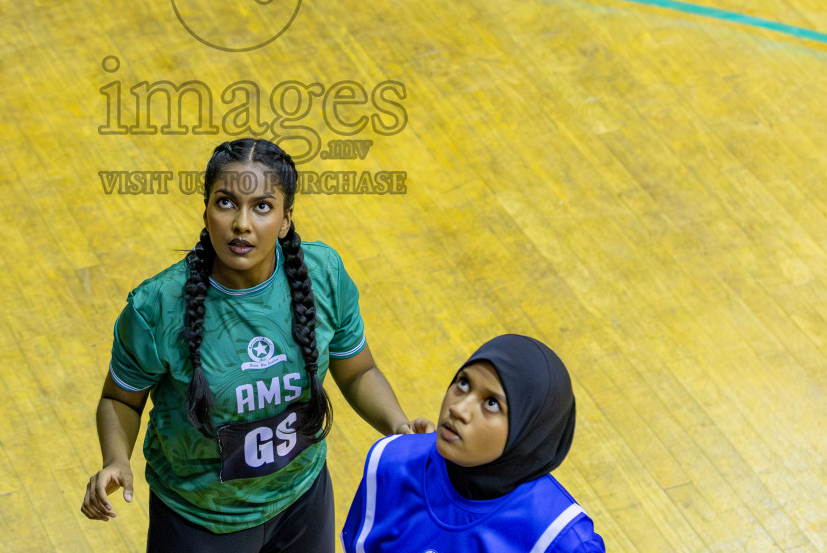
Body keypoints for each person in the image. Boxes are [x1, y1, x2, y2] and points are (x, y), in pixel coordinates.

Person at [81, 137, 432, 552]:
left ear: (285, 219)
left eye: (262, 206)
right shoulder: (156, 307)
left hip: (303, 501)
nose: (241, 223)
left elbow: (357, 371)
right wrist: (116, 459)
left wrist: (398, 427)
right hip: (199, 520)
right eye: (226, 202)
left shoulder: (323, 275)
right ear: (206, 209)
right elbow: (120, 400)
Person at [342, 334, 605, 553]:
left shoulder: (561, 540)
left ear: (528, 432)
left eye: (492, 403)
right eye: (463, 383)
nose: (458, 409)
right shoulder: (392, 462)